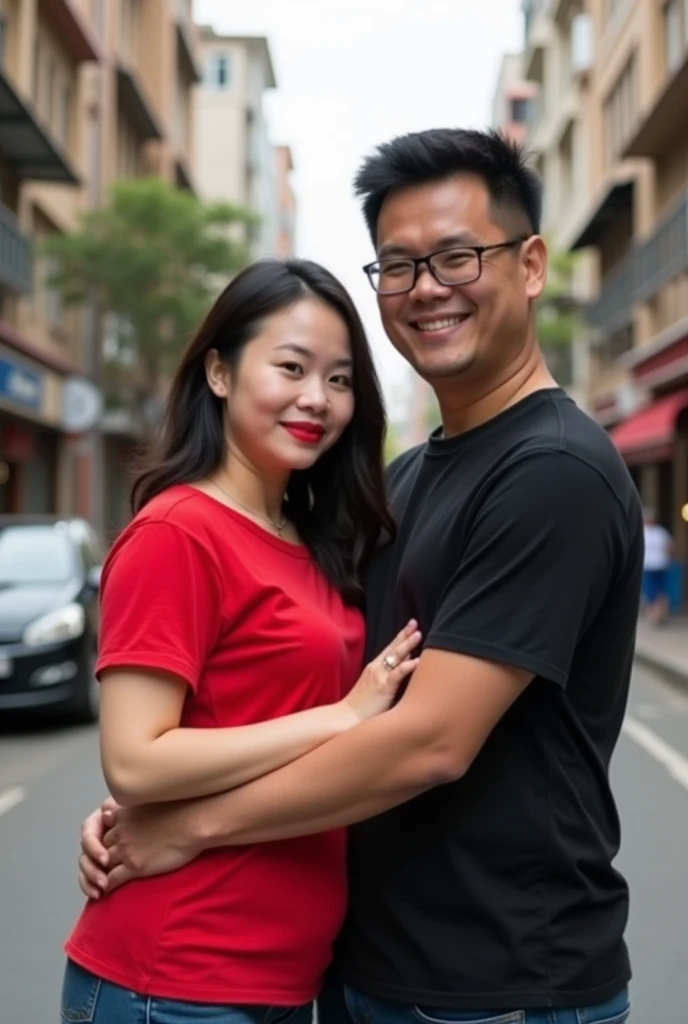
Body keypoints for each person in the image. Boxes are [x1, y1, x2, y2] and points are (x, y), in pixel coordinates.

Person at [78, 130, 642, 1024]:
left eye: (457, 256)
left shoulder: (553, 470)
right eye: (399, 265)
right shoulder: (410, 478)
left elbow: (428, 740)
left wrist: (188, 823)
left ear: (531, 264)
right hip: (360, 967)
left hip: (492, 983)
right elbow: (278, 692)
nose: (426, 288)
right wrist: (149, 788)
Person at [61, 257, 423, 1024]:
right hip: (175, 979)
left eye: (339, 379)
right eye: (290, 367)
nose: (315, 400)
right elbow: (135, 759)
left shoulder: (315, 539)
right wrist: (341, 717)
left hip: (287, 978)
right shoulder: (178, 531)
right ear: (220, 373)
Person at [642, 506, 673, 624]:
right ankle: (658, 613)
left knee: (650, 590)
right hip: (661, 564)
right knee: (659, 589)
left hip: (649, 566)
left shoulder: (642, 531)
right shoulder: (661, 532)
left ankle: (653, 615)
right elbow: (669, 547)